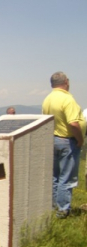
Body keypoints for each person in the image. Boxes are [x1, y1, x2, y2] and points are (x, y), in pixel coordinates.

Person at [42, 72, 86, 218]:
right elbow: (73, 123)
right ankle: (62, 210)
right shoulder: (67, 99)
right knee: (66, 178)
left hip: (52, 139)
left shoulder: (47, 99)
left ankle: (54, 207)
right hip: (67, 140)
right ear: (66, 82)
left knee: (55, 177)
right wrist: (80, 139)